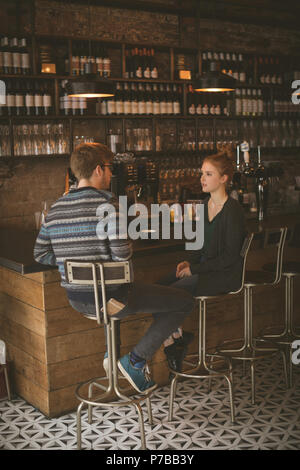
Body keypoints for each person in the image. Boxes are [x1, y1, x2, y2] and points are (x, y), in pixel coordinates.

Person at [34, 142, 195, 394]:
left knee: (139, 289)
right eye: (110, 169)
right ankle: (135, 361)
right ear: (98, 169)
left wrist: (70, 260)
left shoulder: (55, 208)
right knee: (183, 300)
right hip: (113, 300)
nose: (111, 175)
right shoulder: (109, 204)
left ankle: (113, 352)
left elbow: (40, 253)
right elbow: (122, 254)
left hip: (77, 300)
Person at [158, 152, 246, 371]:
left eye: (208, 174)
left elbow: (230, 257)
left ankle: (173, 346)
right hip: (203, 271)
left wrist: (194, 269)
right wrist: (187, 263)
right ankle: (176, 336)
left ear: (224, 178)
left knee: (170, 292)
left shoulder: (232, 210)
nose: (202, 179)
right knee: (156, 288)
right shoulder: (205, 204)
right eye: (202, 174)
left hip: (223, 276)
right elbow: (197, 244)